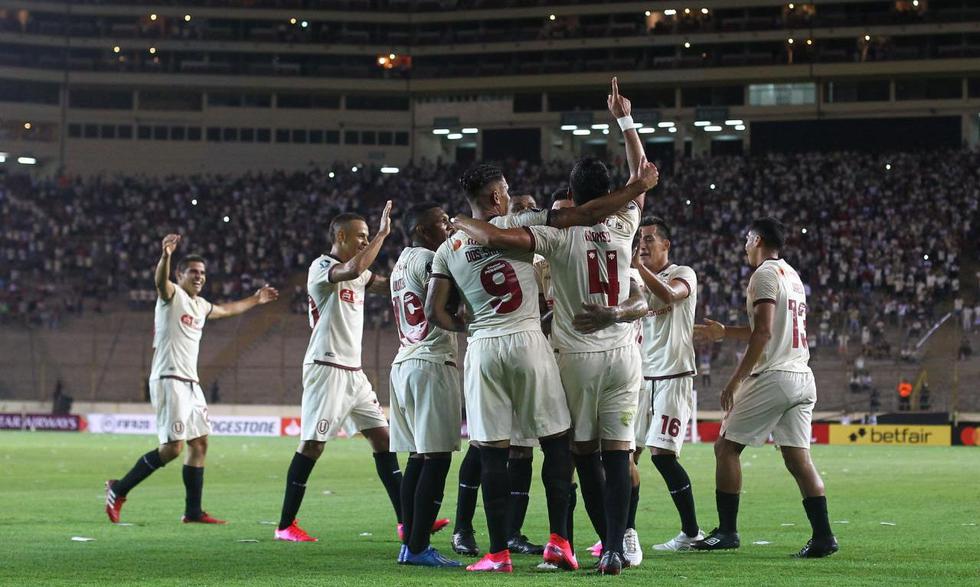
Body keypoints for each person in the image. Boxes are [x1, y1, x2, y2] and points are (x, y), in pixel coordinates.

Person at [448, 77, 659, 575]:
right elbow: (641, 175)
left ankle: (582, 542)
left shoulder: (554, 236)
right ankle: (613, 546)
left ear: (568, 196)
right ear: (610, 194)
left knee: (581, 453)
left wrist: (462, 222)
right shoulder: (627, 222)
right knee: (619, 454)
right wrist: (625, 120)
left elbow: (497, 239)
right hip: (626, 356)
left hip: (577, 355)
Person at [105, 234, 279, 524]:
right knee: (172, 448)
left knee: (199, 444)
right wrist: (166, 255)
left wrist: (256, 300)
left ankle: (193, 511)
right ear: (180, 275)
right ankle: (118, 489)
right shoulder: (171, 296)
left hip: (190, 383)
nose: (199, 277)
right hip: (168, 378)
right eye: (193, 272)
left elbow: (226, 310)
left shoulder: (200, 305)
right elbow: (160, 282)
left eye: (202, 273)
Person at [692, 217, 838, 558]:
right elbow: (772, 327)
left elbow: (764, 332)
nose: (744, 245)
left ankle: (727, 532)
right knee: (798, 458)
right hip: (802, 375)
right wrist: (725, 332)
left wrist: (736, 378)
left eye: (747, 238)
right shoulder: (794, 276)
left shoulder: (764, 274)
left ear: (757, 239)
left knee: (726, 448)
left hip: (776, 376)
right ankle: (823, 537)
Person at [275, 203, 411, 543]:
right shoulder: (322, 267)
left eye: (369, 236)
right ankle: (285, 526)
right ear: (341, 236)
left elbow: (383, 283)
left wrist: (420, 270)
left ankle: (407, 520)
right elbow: (352, 270)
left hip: (354, 372)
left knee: (383, 439)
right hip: (327, 367)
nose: (366, 242)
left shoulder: (358, 273)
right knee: (312, 445)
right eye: (361, 236)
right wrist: (383, 234)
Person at [389, 203, 460, 567]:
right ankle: (417, 547)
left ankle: (411, 543)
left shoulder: (400, 264)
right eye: (442, 222)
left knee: (418, 457)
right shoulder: (431, 258)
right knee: (437, 459)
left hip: (405, 361)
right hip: (431, 361)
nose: (449, 226)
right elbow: (450, 300)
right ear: (420, 229)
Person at [632, 217, 704, 552]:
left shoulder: (682, 273)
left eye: (649, 238)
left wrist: (637, 270)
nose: (642, 244)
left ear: (666, 245)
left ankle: (691, 533)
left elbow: (670, 295)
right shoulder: (636, 278)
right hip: (640, 378)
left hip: (673, 376)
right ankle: (624, 532)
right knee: (626, 456)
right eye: (639, 238)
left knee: (662, 456)